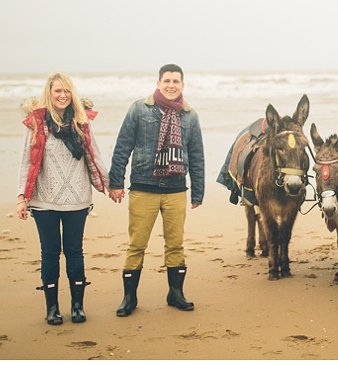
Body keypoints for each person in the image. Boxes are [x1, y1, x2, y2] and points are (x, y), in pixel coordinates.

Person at [108, 64, 205, 316]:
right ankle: (129, 298)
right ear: (158, 83)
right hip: (143, 187)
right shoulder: (140, 110)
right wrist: (116, 182)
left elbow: (196, 156)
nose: (171, 85)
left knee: (175, 245)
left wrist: (198, 192)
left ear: (183, 85)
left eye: (176, 81)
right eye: (167, 81)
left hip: (175, 190)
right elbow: (122, 147)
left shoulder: (190, 116)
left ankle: (176, 294)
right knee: (137, 244)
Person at [17, 73, 109, 325]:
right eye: (58, 90)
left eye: (67, 91)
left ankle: (77, 307)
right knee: (49, 253)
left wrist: (111, 186)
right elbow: (26, 161)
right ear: (49, 93)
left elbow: (95, 156)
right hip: (44, 201)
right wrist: (21, 197)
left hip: (77, 199)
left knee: (74, 251)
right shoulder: (37, 123)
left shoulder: (82, 122)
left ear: (73, 94)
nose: (62, 95)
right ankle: (52, 308)